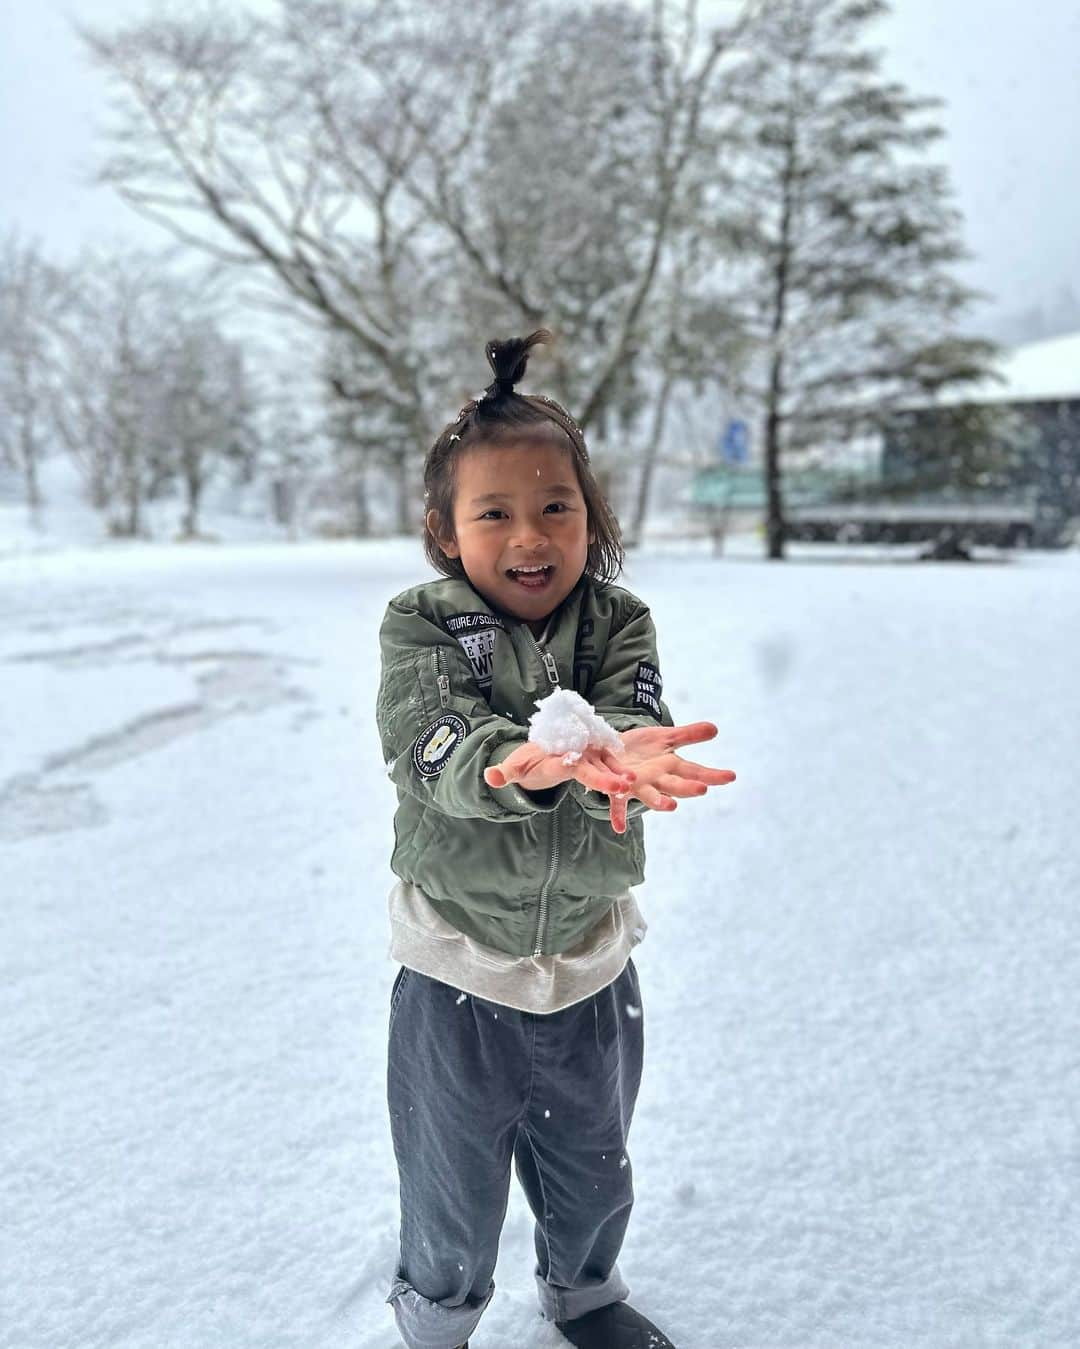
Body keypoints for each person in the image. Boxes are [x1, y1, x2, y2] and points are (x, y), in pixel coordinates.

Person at [376, 329, 735, 1349]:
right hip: (458, 968)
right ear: (446, 531)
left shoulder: (618, 620)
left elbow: (629, 709)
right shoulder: (422, 627)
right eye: (496, 512)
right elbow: (426, 736)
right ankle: (438, 1317)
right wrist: (507, 762)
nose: (530, 535)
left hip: (587, 959)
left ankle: (583, 1293)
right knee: (451, 1180)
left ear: (593, 518)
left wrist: (624, 749)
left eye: (556, 507)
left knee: (593, 1159)